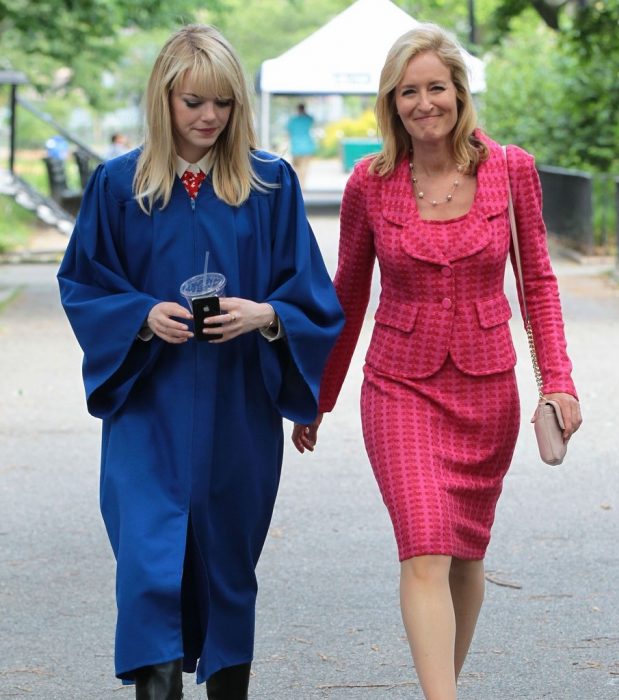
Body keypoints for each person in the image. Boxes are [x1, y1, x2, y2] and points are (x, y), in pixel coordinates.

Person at [292, 23, 582, 700]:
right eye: (408, 92)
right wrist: (318, 393)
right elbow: (349, 292)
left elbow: (537, 280)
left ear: (459, 91)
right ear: (392, 104)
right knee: (424, 544)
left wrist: (560, 379)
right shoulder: (372, 183)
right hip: (398, 387)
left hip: (487, 392)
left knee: (465, 556)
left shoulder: (511, 170)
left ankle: (441, 683)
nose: (425, 103)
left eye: (436, 87)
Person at [58, 24, 343, 700]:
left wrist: (266, 316)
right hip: (147, 414)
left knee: (226, 572)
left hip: (235, 410)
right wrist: (138, 315)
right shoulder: (118, 185)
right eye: (193, 103)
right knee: (148, 571)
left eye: (222, 104)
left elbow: (310, 296)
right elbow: (83, 283)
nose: (209, 117)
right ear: (164, 100)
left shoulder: (269, 184)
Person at [286, 103, 315, 187]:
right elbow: (312, 119)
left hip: (296, 147)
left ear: (297, 109)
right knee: (304, 168)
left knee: (296, 168)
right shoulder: (307, 119)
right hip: (307, 147)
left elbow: (288, 131)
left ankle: (298, 185)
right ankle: (303, 185)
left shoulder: (293, 120)